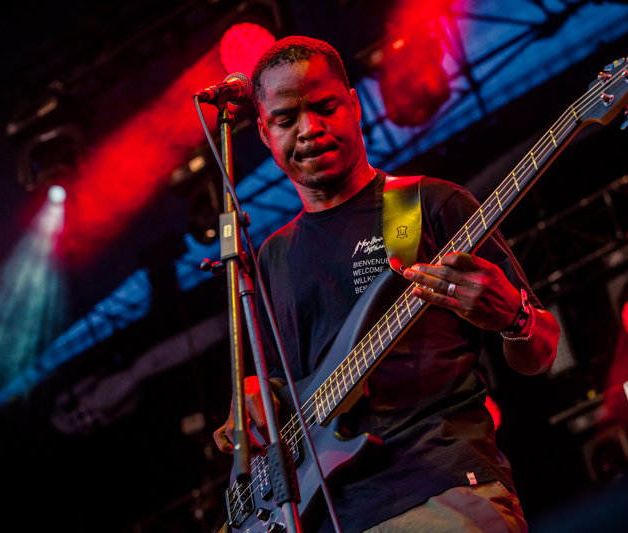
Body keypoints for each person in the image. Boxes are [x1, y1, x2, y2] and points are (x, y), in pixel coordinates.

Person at [213, 36, 559, 533]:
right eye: (287, 120)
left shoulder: (427, 204)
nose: (309, 129)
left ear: (354, 106)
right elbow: (271, 389)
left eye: (325, 107)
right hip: (329, 516)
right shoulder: (272, 256)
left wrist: (515, 319)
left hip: (440, 491)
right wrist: (248, 401)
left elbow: (546, 351)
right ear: (266, 135)